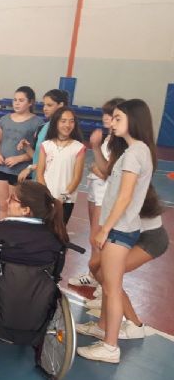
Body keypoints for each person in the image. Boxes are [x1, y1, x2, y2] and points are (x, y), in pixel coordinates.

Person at [77, 99, 156, 364]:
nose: (114, 121)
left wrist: (104, 229)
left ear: (134, 120)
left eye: (119, 117)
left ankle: (110, 346)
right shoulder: (135, 150)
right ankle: (106, 335)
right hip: (122, 228)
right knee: (110, 286)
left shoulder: (135, 153)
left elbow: (124, 197)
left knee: (111, 288)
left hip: (120, 230)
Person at [77, 193, 168, 339]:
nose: (93, 169)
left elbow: (119, 224)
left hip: (150, 240)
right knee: (101, 271)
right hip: (137, 236)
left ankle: (135, 325)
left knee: (107, 276)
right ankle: (102, 326)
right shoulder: (119, 182)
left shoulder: (128, 188)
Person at [68, 98, 125, 287]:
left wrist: (95, 166)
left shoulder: (119, 142)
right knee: (94, 238)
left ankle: (103, 281)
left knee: (99, 238)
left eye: (113, 115)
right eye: (107, 114)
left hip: (105, 195)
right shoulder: (108, 138)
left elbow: (108, 171)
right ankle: (94, 276)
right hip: (95, 192)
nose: (107, 118)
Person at [0, 180, 68, 273]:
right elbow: (56, 271)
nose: (7, 201)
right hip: (42, 287)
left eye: (12, 199)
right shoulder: (56, 234)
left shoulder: (1, 229)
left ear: (25, 210)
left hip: (2, 287)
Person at [0, 86, 44, 220]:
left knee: (16, 209)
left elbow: (38, 152)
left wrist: (19, 158)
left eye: (21, 100)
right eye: (15, 100)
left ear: (30, 102)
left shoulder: (37, 123)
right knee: (3, 206)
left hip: (20, 172)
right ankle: (0, 236)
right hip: (2, 168)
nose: (16, 103)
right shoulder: (4, 120)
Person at [36, 107, 86, 225]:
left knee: (59, 233)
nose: (67, 125)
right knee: (41, 231)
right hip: (46, 197)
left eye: (71, 121)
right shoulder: (46, 145)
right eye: (63, 121)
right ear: (56, 123)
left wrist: (62, 198)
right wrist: (48, 196)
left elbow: (77, 178)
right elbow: (40, 173)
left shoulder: (78, 147)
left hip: (66, 199)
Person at [17, 89, 70, 182]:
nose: (45, 108)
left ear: (61, 105)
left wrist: (30, 168)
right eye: (44, 105)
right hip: (38, 180)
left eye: (49, 105)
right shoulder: (41, 128)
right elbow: (38, 157)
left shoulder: (64, 131)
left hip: (54, 182)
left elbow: (55, 161)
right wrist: (27, 148)